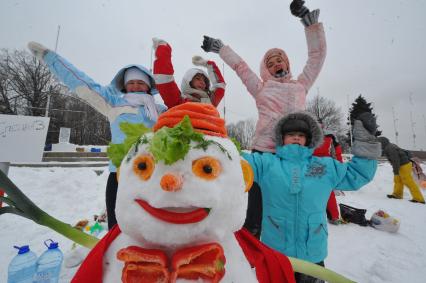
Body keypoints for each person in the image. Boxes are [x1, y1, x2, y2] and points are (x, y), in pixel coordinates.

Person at [201, 0, 326, 238]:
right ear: (265, 69)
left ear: (287, 63)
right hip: (264, 152)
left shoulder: (301, 85)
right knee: (255, 208)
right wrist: (221, 48)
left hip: (293, 152)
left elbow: (316, 58)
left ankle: (290, 246)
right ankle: (250, 247)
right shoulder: (261, 87)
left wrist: (310, 25)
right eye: (271, 62)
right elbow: (240, 67)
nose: (277, 63)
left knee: (289, 204)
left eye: (280, 59)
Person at [27, 42, 167, 229]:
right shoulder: (113, 102)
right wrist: (50, 58)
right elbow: (81, 83)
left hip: (154, 173)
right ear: (124, 85)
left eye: (140, 82)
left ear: (149, 86)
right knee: (118, 229)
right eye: (131, 82)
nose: (135, 86)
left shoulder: (160, 109)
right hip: (120, 174)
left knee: (155, 226)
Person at [242, 111, 381, 283]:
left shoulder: (324, 167)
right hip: (276, 251)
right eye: (291, 134)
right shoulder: (266, 163)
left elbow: (358, 174)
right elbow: (235, 163)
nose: (296, 138)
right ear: (281, 138)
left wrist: (366, 142)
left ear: (309, 139)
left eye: (301, 135)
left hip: (312, 252)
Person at [152, 38, 226, 109]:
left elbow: (220, 85)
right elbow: (164, 79)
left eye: (204, 81)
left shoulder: (210, 101)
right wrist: (163, 48)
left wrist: (209, 64)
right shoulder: (178, 101)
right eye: (198, 78)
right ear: (188, 81)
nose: (203, 82)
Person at [377, 136, 425, 204]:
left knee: (409, 182)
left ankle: (419, 199)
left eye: (379, 143)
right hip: (402, 165)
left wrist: (395, 171)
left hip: (404, 165)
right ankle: (397, 194)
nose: (378, 145)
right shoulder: (388, 146)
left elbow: (395, 161)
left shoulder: (390, 148)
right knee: (398, 180)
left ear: (382, 143)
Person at [313, 122, 344, 225]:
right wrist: (339, 165)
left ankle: (312, 216)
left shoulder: (309, 135)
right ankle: (334, 216)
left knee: (310, 191)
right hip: (327, 165)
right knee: (328, 191)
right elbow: (337, 151)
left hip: (312, 164)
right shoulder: (330, 136)